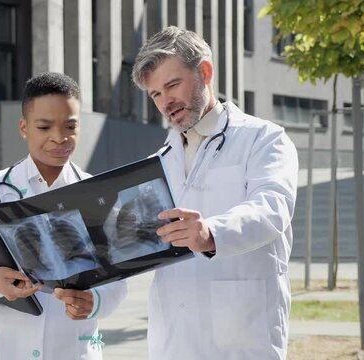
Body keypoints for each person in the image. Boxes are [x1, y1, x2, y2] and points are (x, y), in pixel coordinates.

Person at [0, 72, 127, 360]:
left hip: (72, 348)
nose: (59, 137)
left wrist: (93, 302)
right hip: (2, 350)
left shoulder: (98, 193)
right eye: (44, 126)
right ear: (23, 128)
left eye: (70, 126)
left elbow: (117, 283)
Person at [131, 26, 298, 359]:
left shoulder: (263, 140)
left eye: (172, 85)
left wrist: (211, 233)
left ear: (204, 72)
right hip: (173, 336)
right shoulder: (156, 163)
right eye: (155, 95)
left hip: (242, 331)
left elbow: (271, 208)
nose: (166, 102)